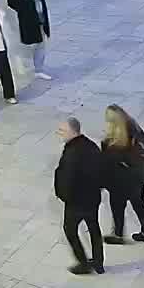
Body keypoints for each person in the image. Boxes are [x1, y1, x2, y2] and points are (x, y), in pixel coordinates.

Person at [54, 116, 107, 275]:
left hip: (76, 202)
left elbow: (67, 179)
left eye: (63, 130)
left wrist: (63, 196)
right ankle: (98, 263)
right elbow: (102, 170)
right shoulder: (91, 146)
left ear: (73, 131)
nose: (59, 133)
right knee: (94, 228)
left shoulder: (72, 153)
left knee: (70, 230)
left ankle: (83, 263)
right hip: (92, 198)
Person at [98, 104, 144, 245]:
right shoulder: (136, 132)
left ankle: (118, 234)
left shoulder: (115, 144)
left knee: (117, 206)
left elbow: (107, 163)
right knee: (139, 204)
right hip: (137, 179)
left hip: (120, 181)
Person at [7, 0, 52, 82]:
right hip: (27, 17)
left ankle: (39, 69)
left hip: (40, 14)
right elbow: (11, 0)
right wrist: (23, 9)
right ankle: (24, 67)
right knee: (29, 44)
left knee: (41, 42)